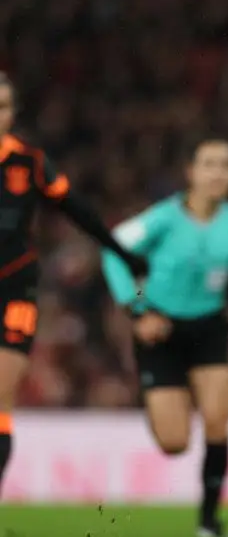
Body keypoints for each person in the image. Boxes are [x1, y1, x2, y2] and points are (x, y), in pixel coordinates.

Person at [101, 138, 228, 537]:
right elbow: (111, 251)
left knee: (218, 420)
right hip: (161, 330)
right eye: (209, 164)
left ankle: (209, 521)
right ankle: (164, 400)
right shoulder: (164, 218)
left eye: (226, 165)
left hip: (209, 327)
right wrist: (137, 310)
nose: (218, 173)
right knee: (174, 442)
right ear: (191, 172)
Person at [0, 71, 148, 495]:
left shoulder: (29, 163)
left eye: (4, 106)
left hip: (14, 289)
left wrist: (121, 252)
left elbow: (77, 209)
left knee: (1, 400)